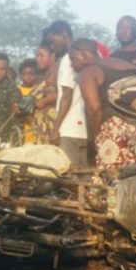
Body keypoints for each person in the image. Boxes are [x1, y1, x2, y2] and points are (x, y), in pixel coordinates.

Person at [69, 38, 136, 170]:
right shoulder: (129, 65)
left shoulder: (88, 72)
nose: (71, 64)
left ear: (84, 54)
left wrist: (97, 137)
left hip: (118, 133)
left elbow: (94, 110)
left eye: (73, 58)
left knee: (111, 182)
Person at [46, 20, 88, 168]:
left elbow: (66, 95)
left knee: (69, 178)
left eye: (53, 41)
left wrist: (55, 129)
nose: (52, 46)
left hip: (69, 128)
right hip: (84, 129)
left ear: (63, 35)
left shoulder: (68, 60)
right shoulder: (86, 59)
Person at [31, 42, 58, 145]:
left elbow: (66, 95)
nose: (38, 59)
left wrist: (46, 100)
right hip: (40, 127)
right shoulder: (42, 76)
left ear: (52, 56)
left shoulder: (59, 74)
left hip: (52, 126)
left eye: (41, 56)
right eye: (37, 56)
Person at [18, 58, 38, 144]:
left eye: (31, 74)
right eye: (25, 74)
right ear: (21, 75)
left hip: (35, 134)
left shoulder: (38, 89)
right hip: (20, 134)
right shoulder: (16, 90)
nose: (28, 76)